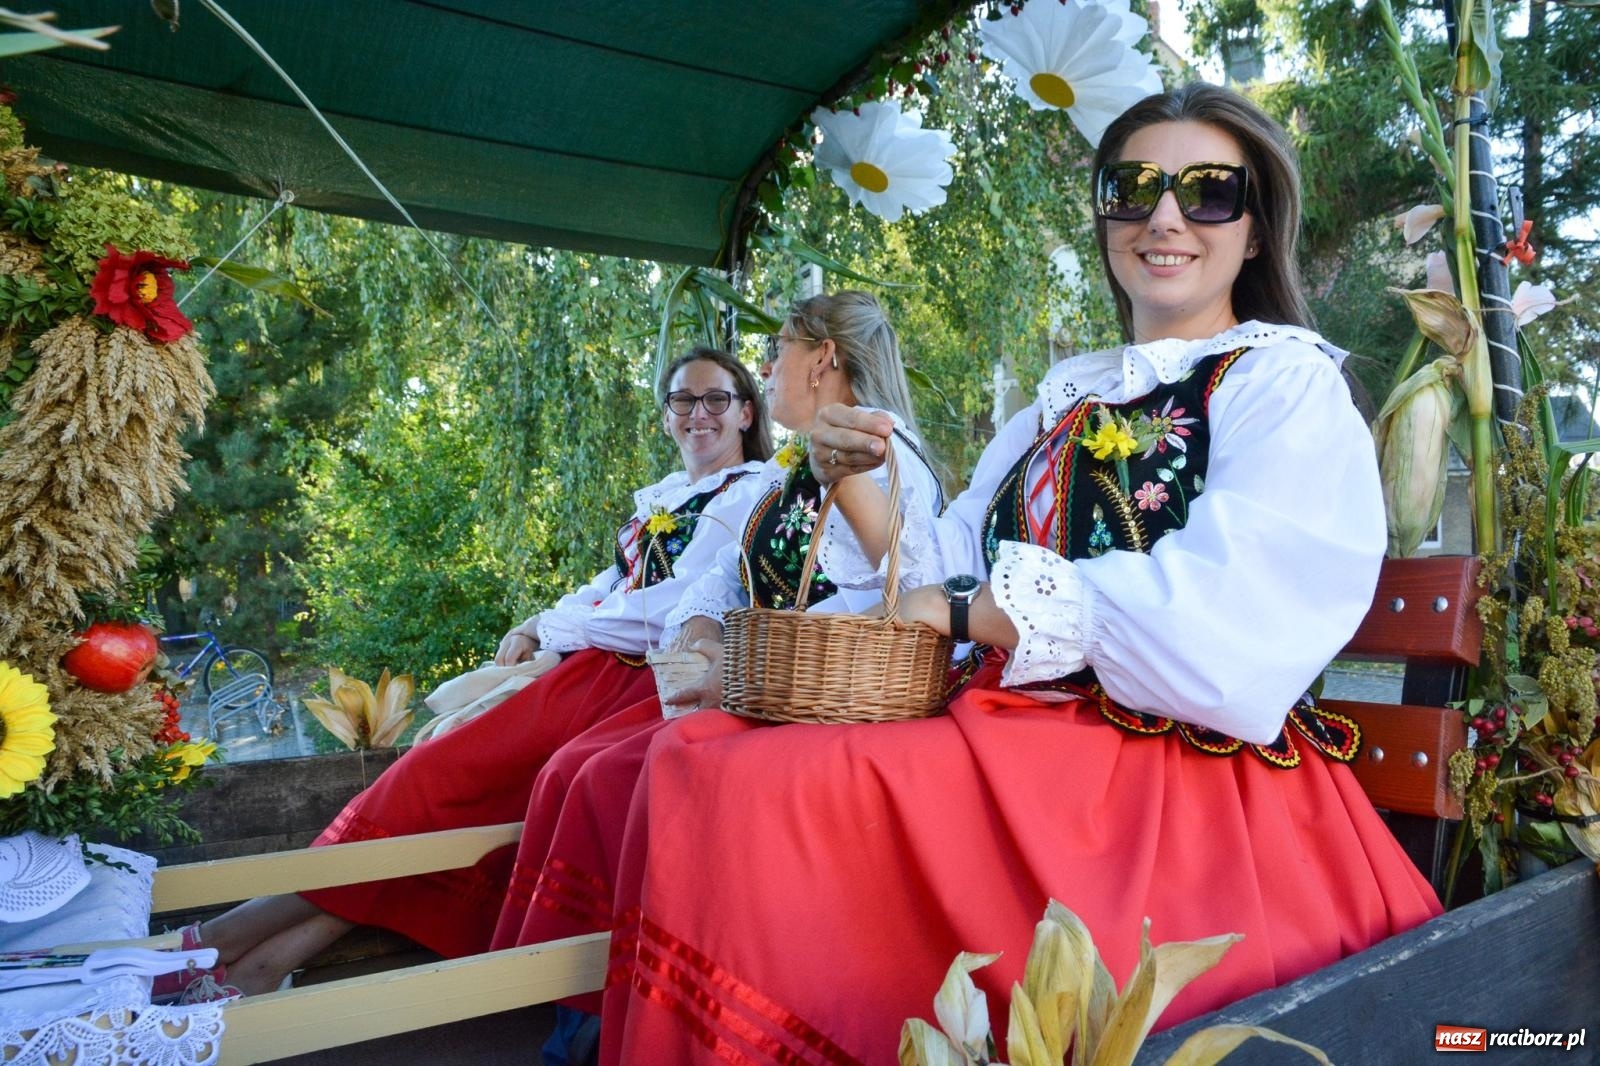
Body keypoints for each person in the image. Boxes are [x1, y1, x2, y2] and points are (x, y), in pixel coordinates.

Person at [593, 84, 1443, 1064]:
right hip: (1022, 734)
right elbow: (944, 558)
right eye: (1133, 188)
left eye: (1209, 191)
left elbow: (1231, 612)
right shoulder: (1060, 403)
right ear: (1106, 218)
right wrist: (856, 480)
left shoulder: (1277, 382)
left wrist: (972, 609)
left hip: (1162, 764)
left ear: (1254, 232)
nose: (1165, 216)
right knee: (697, 753)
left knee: (749, 787)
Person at [165, 348, 774, 1000]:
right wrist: (539, 621)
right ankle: (260, 966)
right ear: (665, 417)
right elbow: (609, 587)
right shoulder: (664, 497)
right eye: (684, 399)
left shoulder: (752, 493)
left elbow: (668, 612)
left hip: (634, 685)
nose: (699, 414)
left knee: (425, 786)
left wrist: (557, 629)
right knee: (430, 805)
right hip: (588, 675)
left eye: (717, 399)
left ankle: (220, 940)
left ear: (744, 412)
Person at [488, 291, 945, 981]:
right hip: (756, 683)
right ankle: (572, 989)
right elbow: (728, 576)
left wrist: (731, 656)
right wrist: (703, 631)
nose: (767, 367)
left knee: (608, 777)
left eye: (778, 350)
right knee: (574, 767)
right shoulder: (793, 466)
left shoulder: (877, 453)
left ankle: (627, 986)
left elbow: (907, 586)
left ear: (822, 357)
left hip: (820, 700)